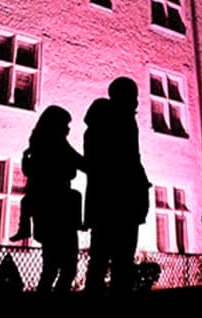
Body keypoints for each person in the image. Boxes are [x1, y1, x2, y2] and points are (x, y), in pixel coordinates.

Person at [83, 77, 151, 295]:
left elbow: (95, 166)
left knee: (102, 258)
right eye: (133, 96)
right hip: (121, 201)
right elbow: (128, 161)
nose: (137, 102)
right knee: (119, 259)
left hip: (107, 201)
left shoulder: (100, 125)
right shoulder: (121, 122)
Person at [11, 105, 85, 294]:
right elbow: (80, 163)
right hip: (61, 212)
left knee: (50, 267)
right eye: (66, 125)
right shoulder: (58, 145)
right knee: (67, 269)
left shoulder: (37, 143)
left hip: (43, 212)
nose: (68, 130)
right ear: (57, 125)